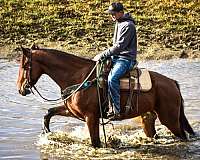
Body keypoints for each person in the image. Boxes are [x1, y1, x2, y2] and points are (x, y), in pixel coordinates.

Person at [93, 2, 137, 120]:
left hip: (126, 59)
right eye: (110, 14)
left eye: (113, 13)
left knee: (112, 79)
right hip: (116, 57)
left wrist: (103, 54)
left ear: (121, 12)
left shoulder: (128, 25)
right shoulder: (120, 22)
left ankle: (116, 110)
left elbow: (119, 46)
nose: (111, 16)